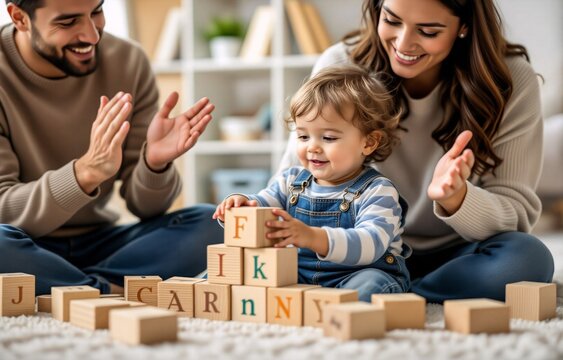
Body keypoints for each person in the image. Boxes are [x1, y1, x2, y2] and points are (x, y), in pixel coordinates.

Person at [277, 0, 554, 303]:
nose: (403, 42)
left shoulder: (511, 79)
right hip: (355, 250)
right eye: (392, 20)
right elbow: (295, 178)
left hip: (455, 255)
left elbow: (517, 215)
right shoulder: (342, 64)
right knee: (217, 220)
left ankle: (397, 290)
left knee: (527, 258)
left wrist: (457, 199)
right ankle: (376, 287)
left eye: (428, 31)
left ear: (463, 26)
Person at [0, 0, 222, 295]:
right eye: (67, 23)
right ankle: (109, 289)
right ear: (20, 17)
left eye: (96, 11)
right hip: (22, 240)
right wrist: (84, 174)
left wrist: (154, 164)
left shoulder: (128, 60)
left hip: (103, 243)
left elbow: (145, 208)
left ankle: (76, 287)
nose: (91, 35)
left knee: (215, 223)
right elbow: (3, 210)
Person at [214, 65, 410, 302]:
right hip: (300, 275)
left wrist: (312, 237)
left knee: (372, 285)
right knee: (239, 275)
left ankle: (339, 312)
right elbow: (262, 207)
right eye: (303, 136)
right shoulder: (290, 180)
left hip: (358, 274)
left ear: (369, 142)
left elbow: (371, 245)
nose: (312, 147)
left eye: (328, 137)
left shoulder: (378, 190)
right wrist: (240, 206)